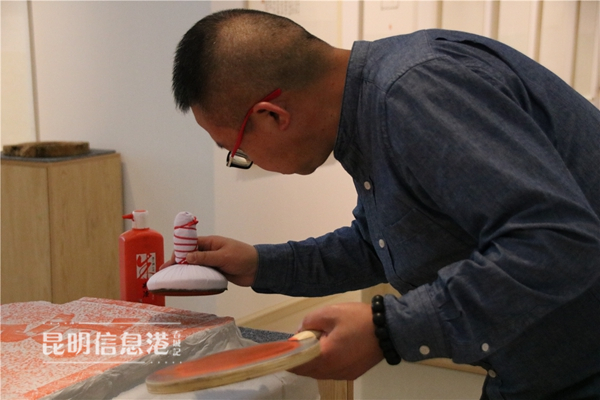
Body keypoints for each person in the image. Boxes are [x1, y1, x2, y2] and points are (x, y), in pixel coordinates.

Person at [167, 8, 600, 399]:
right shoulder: (372, 107)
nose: (246, 161)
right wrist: (261, 264)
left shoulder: (416, 91)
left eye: (237, 151)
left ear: (272, 115)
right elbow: (383, 242)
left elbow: (557, 242)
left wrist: (388, 329)